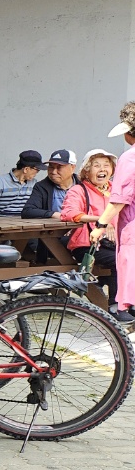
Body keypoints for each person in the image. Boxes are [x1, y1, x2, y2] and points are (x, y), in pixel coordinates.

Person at [62, 150, 119, 305]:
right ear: (86, 171)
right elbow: (69, 213)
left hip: (115, 244)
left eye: (106, 165)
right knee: (119, 260)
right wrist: (102, 221)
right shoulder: (78, 190)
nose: (102, 169)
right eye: (96, 165)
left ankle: (129, 303)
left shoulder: (117, 191)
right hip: (87, 245)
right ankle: (116, 306)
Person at [97, 103, 135, 324]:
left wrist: (101, 225)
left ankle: (123, 308)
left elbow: (120, 197)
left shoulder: (129, 158)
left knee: (129, 263)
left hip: (131, 223)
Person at [0, 150, 43, 218]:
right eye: (37, 170)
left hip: (26, 224)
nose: (37, 173)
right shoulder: (1, 182)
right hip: (2, 223)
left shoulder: (34, 183)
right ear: (26, 169)